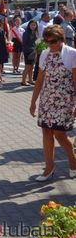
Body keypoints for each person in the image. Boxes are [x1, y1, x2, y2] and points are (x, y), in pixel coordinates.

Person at [29, 24, 76, 181]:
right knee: (46, 132)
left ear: (61, 39)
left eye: (54, 41)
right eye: (48, 41)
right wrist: (33, 101)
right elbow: (40, 80)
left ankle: (73, 161)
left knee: (59, 134)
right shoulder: (44, 54)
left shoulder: (72, 54)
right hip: (47, 99)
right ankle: (49, 167)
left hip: (65, 101)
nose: (51, 44)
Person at [21, 20, 39, 86]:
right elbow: (24, 44)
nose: (33, 26)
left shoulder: (35, 32)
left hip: (33, 51)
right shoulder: (26, 33)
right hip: (28, 52)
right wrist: (32, 49)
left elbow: (36, 42)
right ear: (29, 25)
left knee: (31, 67)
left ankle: (30, 80)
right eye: (32, 25)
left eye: (34, 25)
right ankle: (23, 81)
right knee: (27, 67)